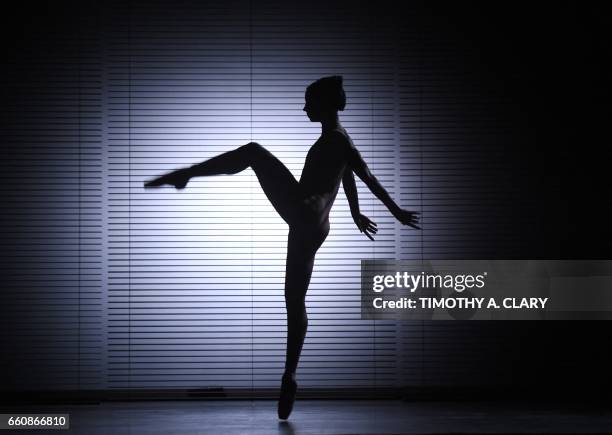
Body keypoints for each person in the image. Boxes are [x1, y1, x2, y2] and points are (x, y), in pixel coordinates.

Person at [144, 75, 420, 419]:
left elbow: (367, 176)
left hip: (303, 212)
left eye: (309, 102)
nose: (304, 107)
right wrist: (355, 212)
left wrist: (395, 211)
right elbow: (347, 174)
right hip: (314, 226)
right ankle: (290, 374)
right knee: (294, 301)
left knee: (252, 152)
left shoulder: (337, 140)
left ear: (325, 104)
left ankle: (188, 174)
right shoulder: (337, 140)